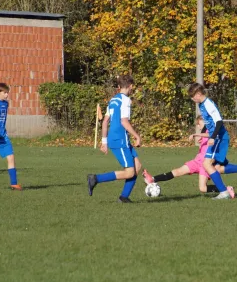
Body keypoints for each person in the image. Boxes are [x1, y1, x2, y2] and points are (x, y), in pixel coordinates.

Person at [187, 82, 237, 200]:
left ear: (198, 94)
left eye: (192, 96)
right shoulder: (202, 105)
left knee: (207, 164)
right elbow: (209, 123)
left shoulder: (208, 104)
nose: (192, 99)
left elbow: (218, 121)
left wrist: (212, 137)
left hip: (218, 138)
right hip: (216, 137)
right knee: (217, 168)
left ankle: (224, 192)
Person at [87, 75, 142, 203]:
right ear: (130, 86)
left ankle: (124, 197)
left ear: (119, 87)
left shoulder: (113, 100)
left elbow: (105, 121)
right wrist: (137, 135)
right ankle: (96, 179)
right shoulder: (126, 100)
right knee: (129, 172)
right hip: (119, 139)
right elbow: (124, 121)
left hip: (119, 139)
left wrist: (104, 142)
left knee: (137, 166)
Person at [142, 116, 220, 194]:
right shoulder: (203, 132)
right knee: (177, 171)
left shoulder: (211, 130)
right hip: (197, 161)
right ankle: (152, 179)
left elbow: (212, 134)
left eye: (199, 124)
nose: (198, 126)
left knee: (203, 188)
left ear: (205, 122)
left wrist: (196, 135)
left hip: (205, 163)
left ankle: (225, 189)